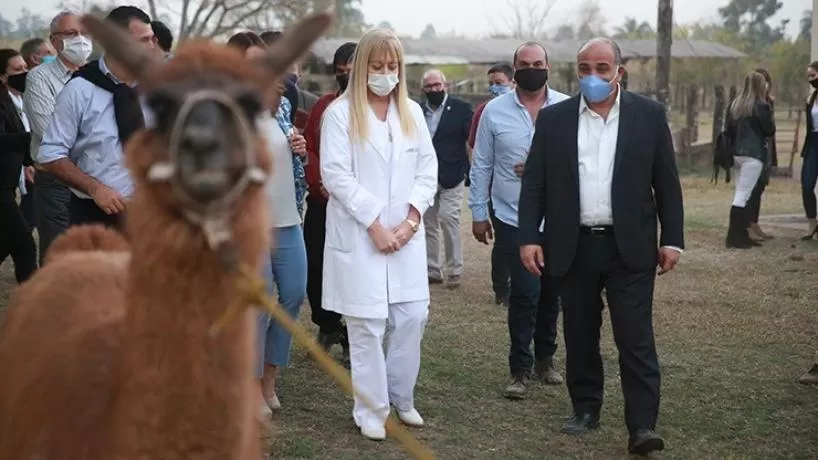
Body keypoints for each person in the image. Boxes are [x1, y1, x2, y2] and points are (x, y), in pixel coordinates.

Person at [518, 37, 684, 455]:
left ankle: (642, 425)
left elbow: (666, 182)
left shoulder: (648, 116)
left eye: (602, 68)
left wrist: (673, 240)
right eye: (584, 68)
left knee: (635, 337)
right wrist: (528, 237)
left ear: (619, 72)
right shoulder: (554, 120)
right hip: (572, 244)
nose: (593, 76)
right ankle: (585, 407)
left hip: (630, 247)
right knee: (579, 331)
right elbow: (534, 183)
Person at [319, 28, 437, 441]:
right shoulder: (340, 113)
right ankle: (370, 410)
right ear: (361, 68)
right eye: (377, 66)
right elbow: (335, 174)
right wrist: (374, 224)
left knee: (412, 316)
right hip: (360, 234)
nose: (386, 74)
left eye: (393, 67)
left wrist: (409, 222)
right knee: (366, 323)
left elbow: (427, 171)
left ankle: (400, 396)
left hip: (405, 234)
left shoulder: (412, 112)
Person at [469, 41, 566, 400]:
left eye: (538, 63)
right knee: (525, 293)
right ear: (514, 68)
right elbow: (481, 164)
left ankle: (546, 358)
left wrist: (543, 169)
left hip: (557, 217)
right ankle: (519, 369)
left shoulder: (567, 107)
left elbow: (581, 160)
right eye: (524, 64)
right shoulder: (494, 112)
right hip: (512, 215)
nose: (532, 68)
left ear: (548, 66)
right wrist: (479, 213)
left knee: (551, 293)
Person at [227, 31, 310, 417]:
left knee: (293, 293)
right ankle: (250, 384)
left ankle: (270, 377)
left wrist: (300, 151)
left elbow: (289, 159)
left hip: (287, 215)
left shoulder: (280, 107)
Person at [37, 6, 155, 230]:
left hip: (151, 214)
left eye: (152, 39)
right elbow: (51, 153)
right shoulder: (79, 90)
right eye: (143, 41)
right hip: (96, 215)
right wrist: (94, 188)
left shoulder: (158, 90)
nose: (151, 47)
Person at [24, 9, 91, 262]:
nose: (81, 40)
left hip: (93, 180)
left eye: (84, 33)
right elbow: (50, 132)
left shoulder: (96, 77)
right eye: (72, 33)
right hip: (56, 180)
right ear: (54, 41)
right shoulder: (39, 78)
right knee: (59, 256)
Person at [303, 41, 356, 357]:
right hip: (322, 204)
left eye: (351, 69)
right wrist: (318, 182)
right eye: (340, 71)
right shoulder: (324, 106)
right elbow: (308, 148)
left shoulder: (380, 111)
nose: (346, 75)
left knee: (353, 274)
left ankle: (355, 341)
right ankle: (328, 324)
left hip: (358, 211)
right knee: (316, 270)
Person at [420, 69, 472, 287]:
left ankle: (454, 269)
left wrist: (470, 170)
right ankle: (432, 270)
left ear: (446, 85)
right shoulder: (416, 111)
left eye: (437, 85)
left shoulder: (461, 109)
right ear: (423, 89)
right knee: (428, 223)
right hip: (425, 176)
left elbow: (470, 140)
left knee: (448, 218)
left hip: (453, 174)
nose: (434, 89)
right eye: (429, 86)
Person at [467, 62, 514, 306]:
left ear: (513, 82)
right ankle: (501, 289)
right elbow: (474, 148)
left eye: (500, 83)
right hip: (497, 190)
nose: (495, 88)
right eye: (492, 84)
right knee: (504, 242)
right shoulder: (485, 111)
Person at [723, 71, 776, 249]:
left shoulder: (735, 105)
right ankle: (735, 236)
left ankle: (740, 234)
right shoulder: (761, 105)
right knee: (743, 195)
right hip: (754, 154)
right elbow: (769, 130)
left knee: (741, 193)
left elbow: (728, 129)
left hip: (737, 153)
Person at [0, 49, 37, 283]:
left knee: (6, 240)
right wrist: (33, 138)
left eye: (25, 67)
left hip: (8, 183)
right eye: (17, 69)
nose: (24, 73)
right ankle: (33, 300)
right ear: (3, 76)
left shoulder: (17, 100)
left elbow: (18, 134)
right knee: (25, 244)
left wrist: (27, 162)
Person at [744, 68, 776, 242]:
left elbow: (771, 131)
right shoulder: (753, 104)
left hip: (765, 148)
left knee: (760, 186)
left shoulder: (767, 102)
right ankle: (747, 225)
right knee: (751, 188)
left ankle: (754, 222)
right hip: (753, 151)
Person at [800, 61, 818, 240]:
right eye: (809, 76)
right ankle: (812, 223)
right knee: (806, 184)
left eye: (813, 75)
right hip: (813, 142)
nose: (810, 79)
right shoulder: (811, 98)